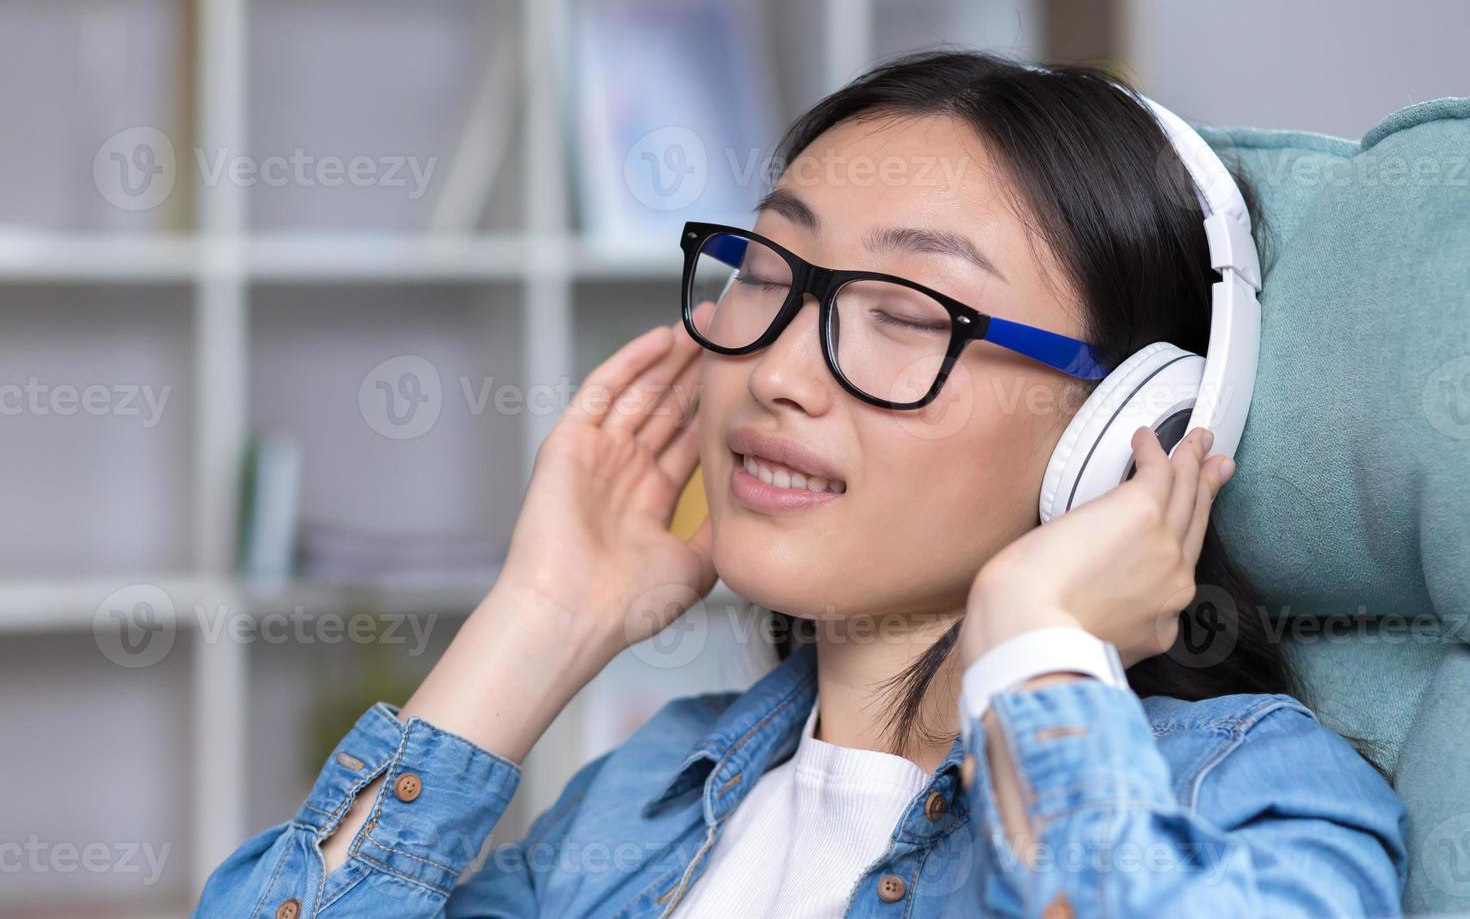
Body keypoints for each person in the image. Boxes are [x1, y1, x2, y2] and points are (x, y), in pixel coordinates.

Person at [194, 49, 1407, 918]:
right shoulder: (654, 797)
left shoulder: (1242, 788)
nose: (775, 366)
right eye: (769, 270)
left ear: (1124, 423)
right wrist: (542, 617)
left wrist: (1035, 646)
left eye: (906, 311)